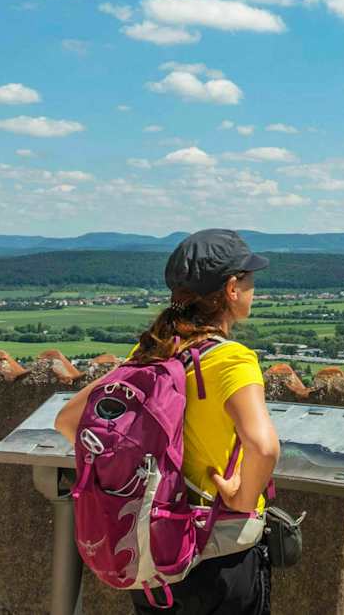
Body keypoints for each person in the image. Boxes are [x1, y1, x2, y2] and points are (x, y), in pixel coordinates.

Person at [56, 229, 281, 614]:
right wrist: (242, 498)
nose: (252, 290)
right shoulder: (232, 360)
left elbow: (68, 420)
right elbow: (263, 447)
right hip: (219, 552)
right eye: (249, 281)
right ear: (230, 289)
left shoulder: (152, 351)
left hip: (151, 551)